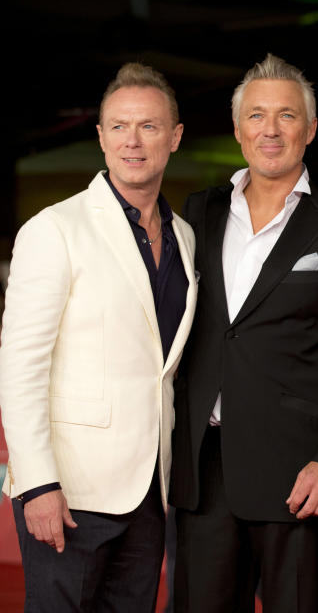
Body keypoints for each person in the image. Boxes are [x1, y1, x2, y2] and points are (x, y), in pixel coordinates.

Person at [170, 54, 318, 612]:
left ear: (310, 130)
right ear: (239, 129)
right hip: (202, 474)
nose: (271, 130)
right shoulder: (199, 214)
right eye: (258, 116)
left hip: (299, 476)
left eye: (287, 116)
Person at [0, 62, 196, 610]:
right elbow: (20, 366)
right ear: (101, 137)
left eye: (149, 127)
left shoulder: (184, 238)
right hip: (69, 490)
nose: (132, 141)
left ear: (175, 137)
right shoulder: (54, 229)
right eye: (118, 126)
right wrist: (37, 483)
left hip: (148, 493)